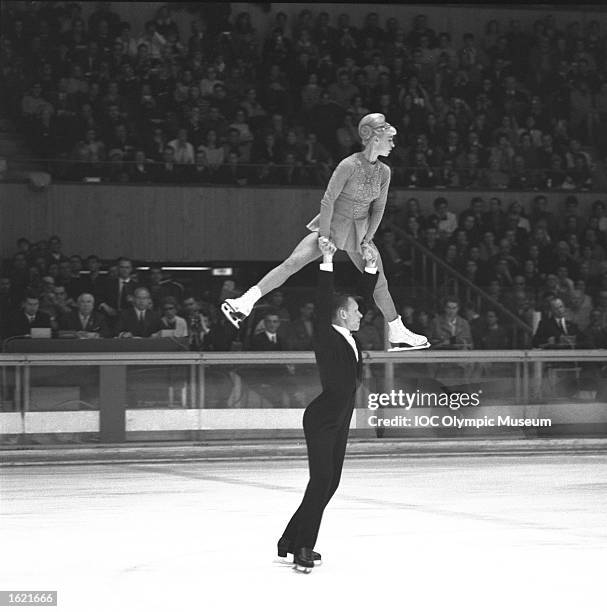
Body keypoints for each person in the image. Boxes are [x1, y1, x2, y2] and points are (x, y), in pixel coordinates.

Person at [222, 113, 429, 350]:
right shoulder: (348, 165)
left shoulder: (385, 172)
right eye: (389, 139)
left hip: (360, 231)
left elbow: (379, 206)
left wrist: (367, 239)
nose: (393, 144)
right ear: (374, 139)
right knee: (293, 263)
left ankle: (396, 330)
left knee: (380, 281)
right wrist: (323, 236)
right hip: (333, 225)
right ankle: (243, 303)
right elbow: (328, 201)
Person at [277, 237, 378, 573]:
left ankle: (290, 538)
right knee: (321, 482)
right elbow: (324, 302)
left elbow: (368, 301)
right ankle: (304, 546)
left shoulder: (351, 336)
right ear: (341, 313)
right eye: (356, 310)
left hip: (340, 418)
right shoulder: (326, 333)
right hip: (321, 419)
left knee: (330, 482)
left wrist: (371, 267)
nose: (361, 314)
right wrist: (327, 261)